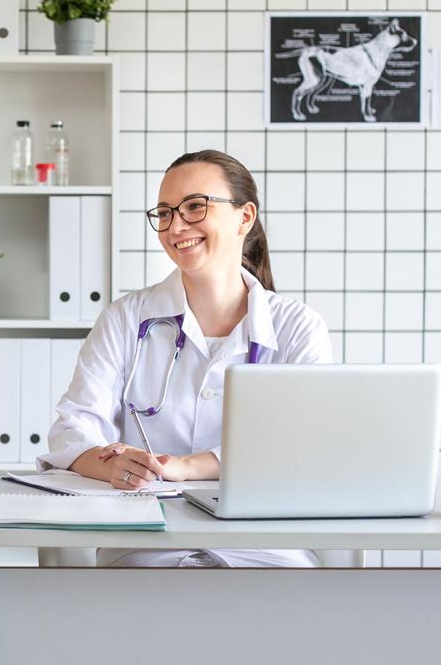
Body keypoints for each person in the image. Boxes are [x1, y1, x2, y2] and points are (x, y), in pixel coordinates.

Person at [38, 150, 331, 569]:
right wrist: (114, 466)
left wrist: (189, 467)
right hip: (146, 543)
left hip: (264, 545)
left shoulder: (297, 328)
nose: (176, 226)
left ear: (244, 217)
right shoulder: (126, 319)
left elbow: (302, 448)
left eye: (195, 207)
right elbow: (73, 430)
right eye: (164, 212)